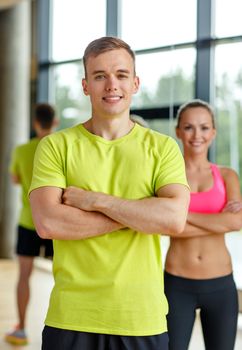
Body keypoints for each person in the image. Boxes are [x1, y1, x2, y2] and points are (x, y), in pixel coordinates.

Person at [29, 36, 190, 350]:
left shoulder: (162, 148)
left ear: (136, 83)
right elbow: (49, 223)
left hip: (141, 318)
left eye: (121, 75)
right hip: (71, 317)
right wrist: (141, 214)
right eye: (100, 76)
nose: (111, 84)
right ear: (86, 85)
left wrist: (95, 201)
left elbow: (173, 220)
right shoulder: (56, 146)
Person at [164, 99, 242, 350]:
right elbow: (164, 226)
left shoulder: (227, 175)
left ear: (214, 132)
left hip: (220, 284)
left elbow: (236, 221)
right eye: (188, 127)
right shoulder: (166, 176)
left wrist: (182, 215)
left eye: (204, 127)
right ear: (178, 131)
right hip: (177, 283)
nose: (197, 135)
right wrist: (219, 221)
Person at [5, 103, 57, 346]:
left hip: (29, 220)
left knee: (24, 275)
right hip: (57, 221)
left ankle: (22, 328)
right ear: (54, 122)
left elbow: (16, 179)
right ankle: (62, 328)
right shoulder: (60, 147)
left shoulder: (22, 150)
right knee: (64, 276)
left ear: (35, 122)